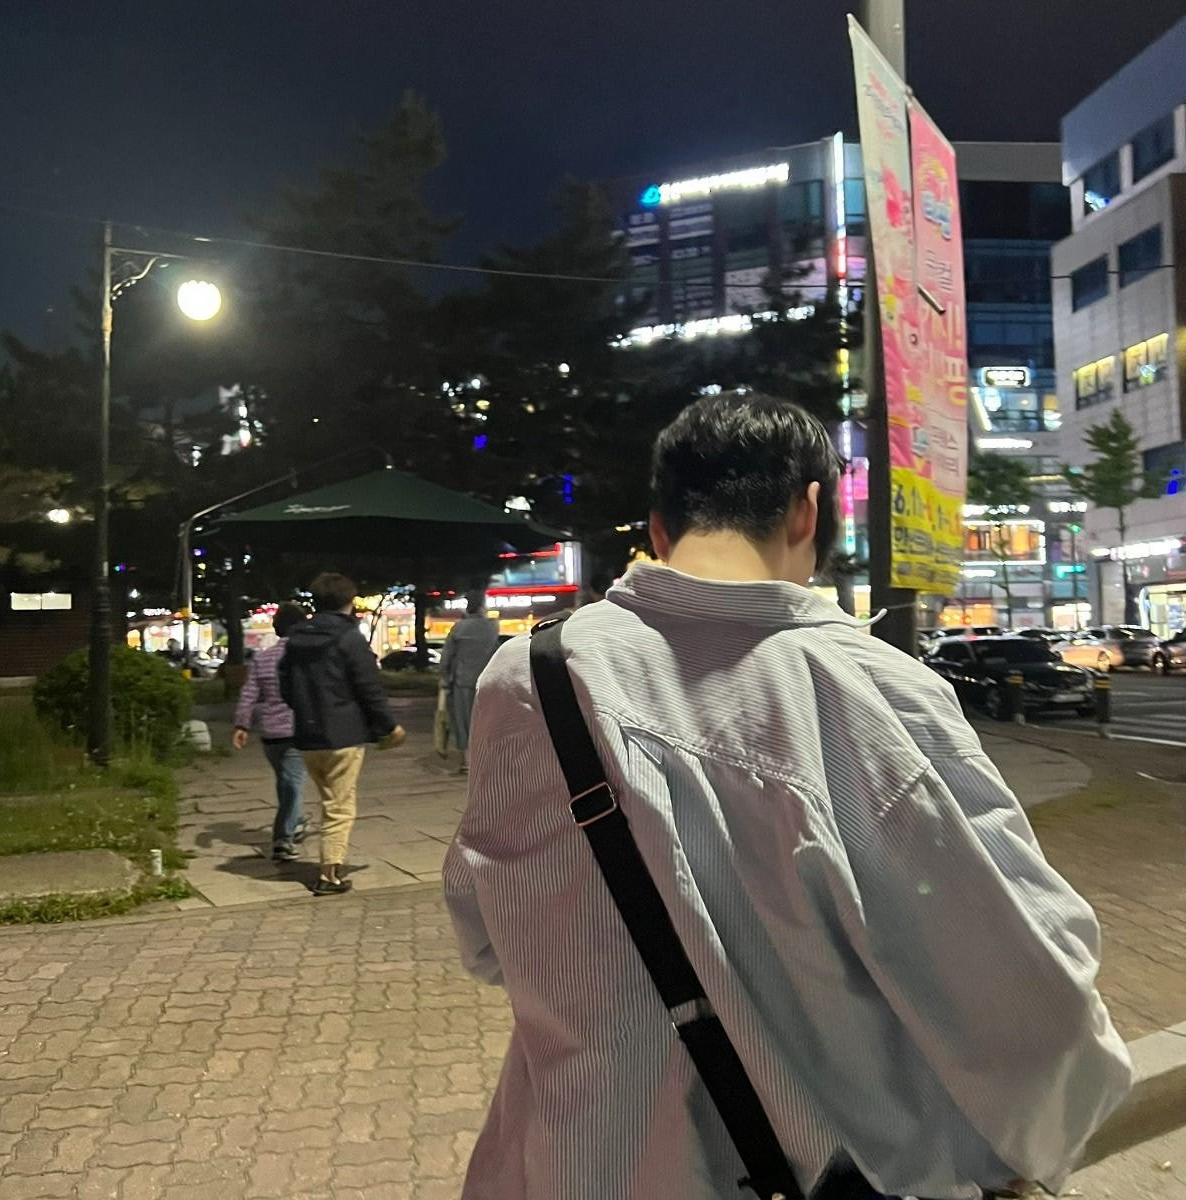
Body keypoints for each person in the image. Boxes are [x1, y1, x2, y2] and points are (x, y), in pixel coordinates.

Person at [444, 393, 1131, 1200]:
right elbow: (1030, 1001)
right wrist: (1033, 1144)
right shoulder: (873, 694)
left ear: (659, 529)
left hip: (574, 1166)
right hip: (828, 1172)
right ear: (809, 509)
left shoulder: (527, 678)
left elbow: (486, 939)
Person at [280, 573, 406, 895]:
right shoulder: (349, 638)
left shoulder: (295, 640)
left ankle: (329, 867)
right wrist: (389, 726)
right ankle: (329, 875)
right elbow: (368, 687)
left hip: (307, 736)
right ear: (349, 602)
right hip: (343, 735)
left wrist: (306, 711)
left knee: (329, 800)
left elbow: (286, 688)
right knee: (340, 806)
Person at [232, 602, 310, 863]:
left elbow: (249, 694)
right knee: (293, 785)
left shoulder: (262, 658)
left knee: (286, 782)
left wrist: (242, 725)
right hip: (295, 730)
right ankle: (283, 840)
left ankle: (295, 820)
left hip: (269, 734)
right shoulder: (304, 658)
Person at [439, 589, 499, 771]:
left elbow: (446, 657)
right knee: (486, 720)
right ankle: (486, 759)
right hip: (488, 681)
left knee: (463, 721)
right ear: (481, 607)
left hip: (462, 681)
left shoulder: (459, 628)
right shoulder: (492, 628)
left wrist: (444, 678)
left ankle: (467, 761)